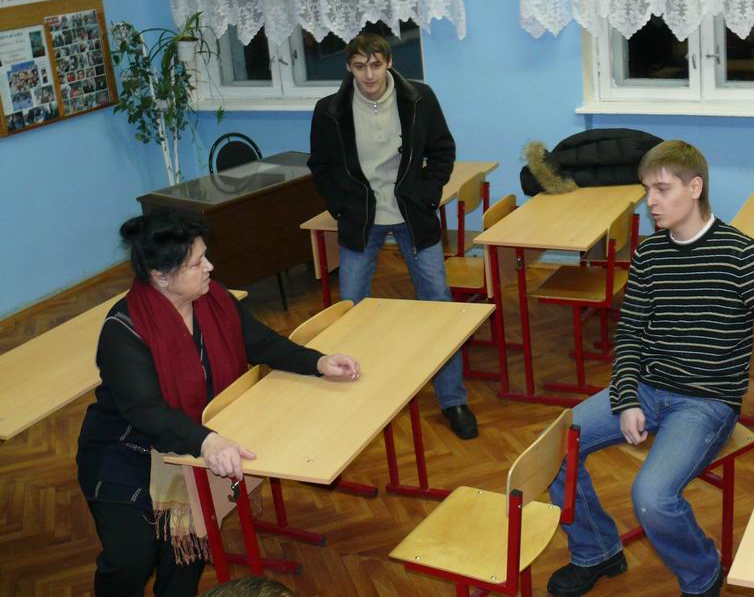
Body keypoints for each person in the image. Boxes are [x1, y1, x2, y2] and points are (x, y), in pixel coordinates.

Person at [545, 140, 754, 597]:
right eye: (647, 189)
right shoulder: (650, 254)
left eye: (662, 189)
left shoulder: (739, 252)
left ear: (694, 188)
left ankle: (702, 576)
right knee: (555, 450)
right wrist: (626, 398)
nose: (650, 201)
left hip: (706, 403)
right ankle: (597, 550)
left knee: (652, 498)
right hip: (647, 389)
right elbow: (630, 335)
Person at [76, 209, 361, 597]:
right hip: (127, 453)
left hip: (189, 442)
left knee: (186, 553)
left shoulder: (212, 298)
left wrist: (318, 362)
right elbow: (145, 411)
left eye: (205, 256)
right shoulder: (123, 330)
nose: (209, 266)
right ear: (161, 276)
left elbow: (261, 342)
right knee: (132, 559)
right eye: (197, 263)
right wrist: (208, 441)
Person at [307, 32, 477, 440]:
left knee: (439, 307)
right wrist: (341, 205)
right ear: (349, 67)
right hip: (360, 220)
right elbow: (322, 166)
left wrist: (426, 193)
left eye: (375, 65)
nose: (369, 75)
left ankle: (453, 400)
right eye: (360, 66)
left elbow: (442, 151)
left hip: (412, 216)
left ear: (388, 63)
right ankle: (356, 399)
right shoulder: (330, 110)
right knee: (349, 310)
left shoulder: (418, 98)